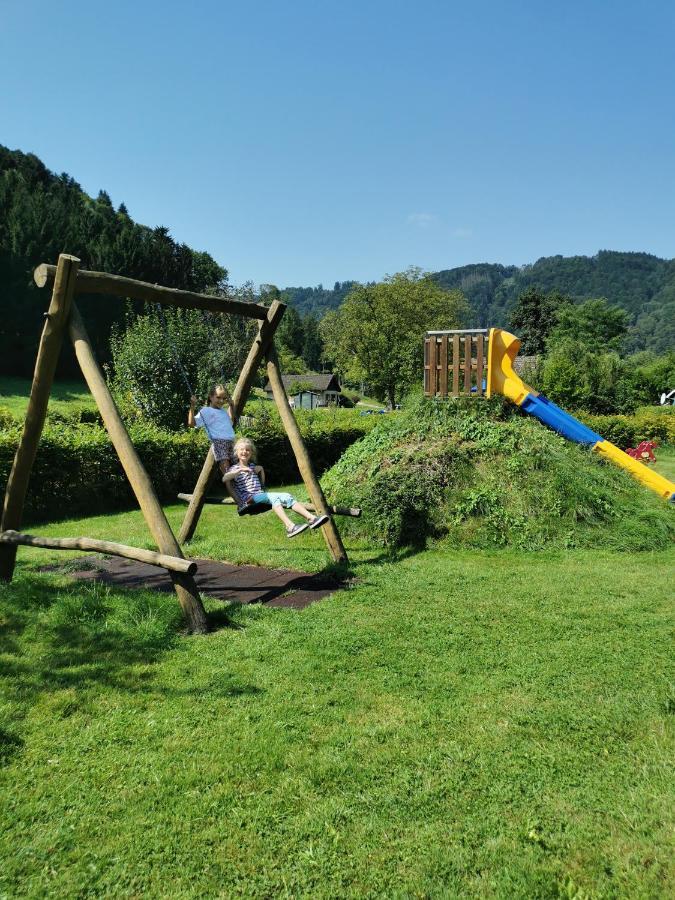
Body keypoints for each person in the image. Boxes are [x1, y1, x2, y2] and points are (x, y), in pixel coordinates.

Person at [224, 438, 329, 538]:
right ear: (236, 452)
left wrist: (261, 478)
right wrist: (239, 471)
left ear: (251, 453)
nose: (244, 452)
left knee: (287, 496)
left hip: (259, 494)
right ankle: (290, 527)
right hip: (249, 499)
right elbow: (225, 479)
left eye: (247, 450)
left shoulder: (252, 466)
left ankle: (312, 519)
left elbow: (260, 469)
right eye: (241, 449)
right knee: (275, 498)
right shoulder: (235, 468)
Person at [188, 385, 235, 481]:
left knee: (240, 469)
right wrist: (192, 406)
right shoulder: (206, 411)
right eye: (218, 397)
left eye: (224, 398)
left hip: (231, 442)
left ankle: (245, 492)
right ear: (210, 397)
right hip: (219, 443)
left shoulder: (223, 411)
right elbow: (191, 424)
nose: (221, 401)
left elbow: (231, 421)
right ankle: (235, 494)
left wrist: (231, 406)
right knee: (228, 474)